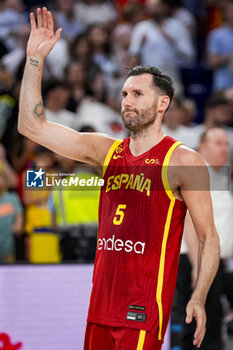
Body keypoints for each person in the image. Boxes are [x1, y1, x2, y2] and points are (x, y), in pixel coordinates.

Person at [18, 8, 220, 349]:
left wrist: (198, 296)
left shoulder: (184, 161)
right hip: (100, 307)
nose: (127, 101)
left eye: (138, 94)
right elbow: (31, 126)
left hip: (142, 310)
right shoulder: (104, 151)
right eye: (125, 94)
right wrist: (34, 60)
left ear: (162, 104)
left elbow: (208, 236)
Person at [172, 128, 233, 350]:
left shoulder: (217, 176)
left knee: (211, 325)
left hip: (213, 262)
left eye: (226, 143)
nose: (224, 148)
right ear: (203, 147)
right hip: (197, 260)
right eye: (218, 143)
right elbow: (188, 218)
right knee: (199, 327)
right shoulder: (198, 173)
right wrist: (199, 267)